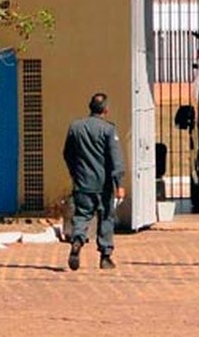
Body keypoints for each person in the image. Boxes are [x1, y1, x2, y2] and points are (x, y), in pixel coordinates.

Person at [62, 91, 125, 271]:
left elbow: (67, 154)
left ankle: (77, 241)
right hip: (103, 184)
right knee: (106, 218)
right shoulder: (108, 130)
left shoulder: (76, 127)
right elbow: (116, 158)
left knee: (82, 216)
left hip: (82, 182)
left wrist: (75, 173)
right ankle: (105, 256)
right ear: (106, 110)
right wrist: (119, 183)